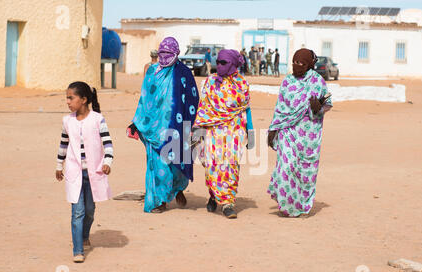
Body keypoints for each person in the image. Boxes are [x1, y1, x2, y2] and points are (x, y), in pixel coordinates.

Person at [129, 37, 199, 213]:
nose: (164, 57)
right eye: (162, 53)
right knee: (158, 165)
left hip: (176, 126)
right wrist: (137, 121)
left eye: (168, 53)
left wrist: (192, 125)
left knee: (178, 164)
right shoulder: (152, 72)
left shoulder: (184, 73)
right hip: (153, 127)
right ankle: (160, 200)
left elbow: (192, 98)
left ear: (176, 54)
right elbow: (145, 98)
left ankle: (178, 189)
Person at [267, 48, 332, 218]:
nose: (297, 66)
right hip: (287, 132)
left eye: (301, 63)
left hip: (308, 134)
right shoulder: (287, 81)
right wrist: (273, 129)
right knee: (286, 167)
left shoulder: (318, 81)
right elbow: (280, 107)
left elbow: (327, 103)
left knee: (304, 172)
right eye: (294, 63)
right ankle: (287, 205)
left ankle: (302, 205)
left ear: (310, 65)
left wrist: (318, 107)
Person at [56, 82, 114, 263]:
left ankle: (85, 234)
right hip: (74, 173)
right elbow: (63, 144)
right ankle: (78, 250)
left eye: (70, 98)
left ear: (83, 100)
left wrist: (107, 162)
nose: (67, 102)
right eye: (67, 98)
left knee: (89, 211)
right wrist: (59, 165)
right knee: (77, 212)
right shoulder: (67, 121)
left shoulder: (97, 119)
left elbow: (108, 143)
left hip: (93, 173)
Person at [192, 49, 253, 219]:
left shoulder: (241, 84)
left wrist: (251, 133)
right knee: (212, 164)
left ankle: (228, 203)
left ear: (233, 64)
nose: (219, 65)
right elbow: (203, 107)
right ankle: (213, 195)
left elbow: (246, 109)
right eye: (217, 62)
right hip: (212, 131)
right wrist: (197, 131)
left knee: (230, 165)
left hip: (234, 132)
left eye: (223, 63)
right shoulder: (210, 82)